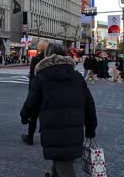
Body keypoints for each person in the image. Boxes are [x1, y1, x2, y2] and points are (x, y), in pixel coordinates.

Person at [20, 43, 97, 177]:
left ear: (47, 56)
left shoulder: (41, 77)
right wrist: (91, 127)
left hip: (52, 128)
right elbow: (89, 104)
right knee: (62, 159)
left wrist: (24, 115)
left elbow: (31, 101)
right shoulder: (77, 77)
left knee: (63, 163)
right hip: (74, 128)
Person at [22, 39, 49, 145]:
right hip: (48, 91)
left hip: (37, 90)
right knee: (46, 115)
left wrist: (31, 92)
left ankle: (30, 137)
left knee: (33, 116)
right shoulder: (50, 59)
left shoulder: (36, 59)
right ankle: (46, 138)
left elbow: (32, 78)